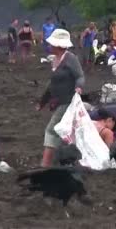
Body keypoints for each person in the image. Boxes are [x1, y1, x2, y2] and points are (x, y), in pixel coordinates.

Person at [37, 29, 84, 167]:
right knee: (66, 132)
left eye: (52, 44)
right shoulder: (55, 60)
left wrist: (79, 87)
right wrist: (43, 101)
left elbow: (80, 76)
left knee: (51, 130)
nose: (50, 46)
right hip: (58, 102)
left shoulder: (70, 59)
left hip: (68, 102)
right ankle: (67, 161)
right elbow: (52, 84)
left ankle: (45, 164)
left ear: (58, 45)